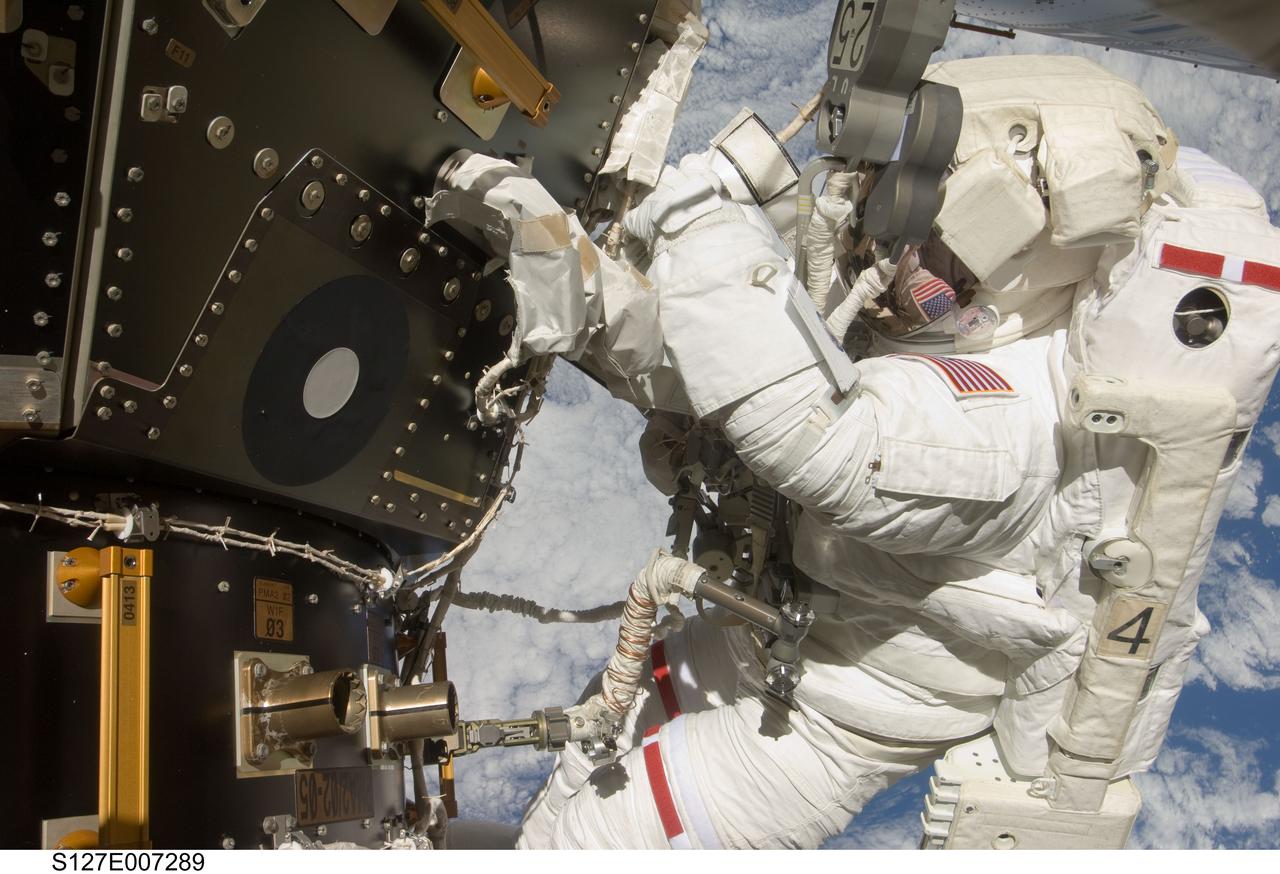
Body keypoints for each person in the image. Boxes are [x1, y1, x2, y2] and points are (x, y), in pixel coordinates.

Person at [444, 55, 1280, 848]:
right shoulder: (934, 344)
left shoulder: (1024, 419)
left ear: (1025, 258)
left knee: (587, 842)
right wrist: (559, 254)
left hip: (824, 724)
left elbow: (823, 445)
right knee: (576, 777)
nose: (897, 255)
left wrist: (701, 214)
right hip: (766, 629)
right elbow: (710, 361)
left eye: (937, 243)